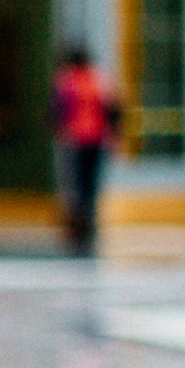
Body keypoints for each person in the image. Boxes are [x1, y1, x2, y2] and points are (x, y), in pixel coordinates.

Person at [49, 45, 122, 257]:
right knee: (90, 182)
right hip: (97, 138)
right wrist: (115, 134)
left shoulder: (67, 79)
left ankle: (77, 223)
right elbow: (113, 109)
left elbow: (57, 108)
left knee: (75, 182)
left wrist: (57, 128)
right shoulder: (99, 79)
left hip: (75, 137)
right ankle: (88, 221)